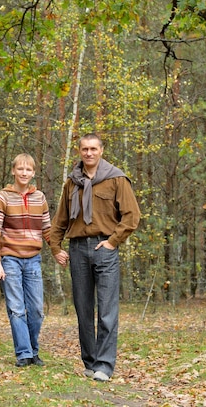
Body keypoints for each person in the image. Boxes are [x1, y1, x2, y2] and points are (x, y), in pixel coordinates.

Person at [50, 133, 140, 382]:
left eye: (93, 149)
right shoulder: (72, 182)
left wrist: (112, 242)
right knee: (83, 309)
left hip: (104, 248)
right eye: (84, 149)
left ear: (101, 150)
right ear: (79, 152)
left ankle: (104, 365)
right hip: (78, 248)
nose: (88, 153)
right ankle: (89, 362)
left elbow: (132, 216)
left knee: (107, 309)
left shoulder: (116, 179)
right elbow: (60, 219)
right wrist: (55, 247)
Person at [0, 153, 51, 367]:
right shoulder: (2, 197)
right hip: (10, 259)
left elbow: (47, 229)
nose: (24, 173)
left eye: (28, 170)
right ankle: (24, 353)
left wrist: (58, 250)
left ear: (33, 173)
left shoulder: (40, 197)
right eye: (20, 169)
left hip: (33, 258)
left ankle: (33, 350)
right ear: (13, 171)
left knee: (36, 310)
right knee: (16, 308)